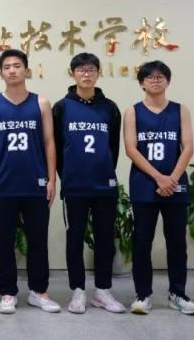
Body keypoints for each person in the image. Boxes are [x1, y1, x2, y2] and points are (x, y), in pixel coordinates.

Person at [0, 49, 61, 315]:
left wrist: (51, 179)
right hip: (2, 184)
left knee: (38, 240)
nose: (12, 70)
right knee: (3, 241)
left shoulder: (41, 103)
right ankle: (7, 292)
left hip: (35, 184)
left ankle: (39, 291)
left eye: (17, 65)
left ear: (27, 70)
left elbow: (49, 142)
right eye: (7, 66)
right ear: (0, 73)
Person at [123, 60, 194, 315]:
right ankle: (143, 295)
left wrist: (172, 179)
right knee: (142, 242)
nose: (155, 80)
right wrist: (159, 177)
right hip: (145, 184)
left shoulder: (181, 110)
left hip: (175, 184)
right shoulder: (132, 112)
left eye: (160, 76)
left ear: (168, 81)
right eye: (150, 77)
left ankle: (178, 294)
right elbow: (131, 149)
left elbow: (188, 147)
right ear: (141, 83)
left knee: (177, 242)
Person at [52, 52, 126, 314]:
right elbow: (56, 148)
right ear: (73, 74)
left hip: (104, 185)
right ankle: (78, 290)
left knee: (105, 239)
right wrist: (66, 176)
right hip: (75, 186)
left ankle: (103, 291)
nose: (86, 74)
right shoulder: (61, 107)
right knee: (75, 239)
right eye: (81, 70)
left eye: (91, 69)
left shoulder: (110, 108)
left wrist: (104, 171)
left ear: (98, 73)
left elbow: (113, 147)